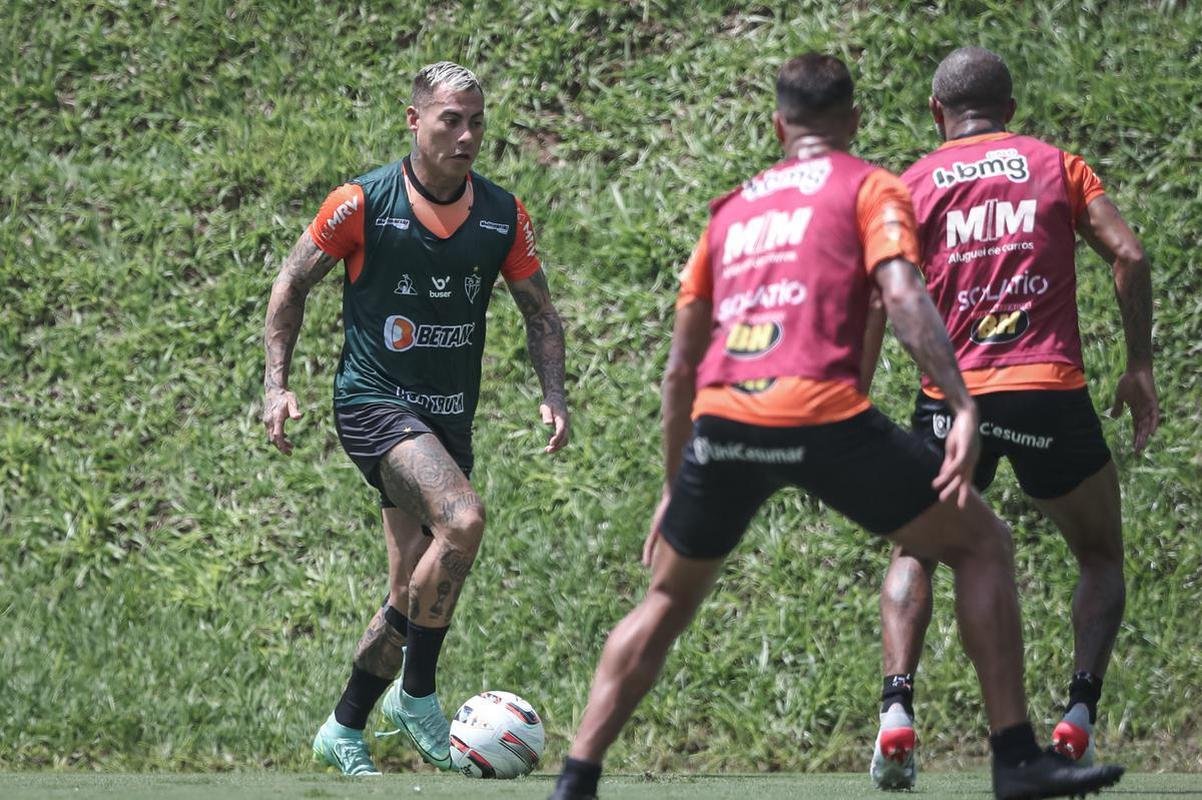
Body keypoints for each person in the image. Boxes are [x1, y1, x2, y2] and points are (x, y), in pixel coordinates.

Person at [549, 53, 1123, 800]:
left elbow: (679, 370)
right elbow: (903, 294)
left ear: (777, 125)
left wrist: (672, 484)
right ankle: (1015, 759)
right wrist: (961, 401)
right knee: (983, 543)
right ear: (853, 122)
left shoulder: (734, 209)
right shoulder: (870, 185)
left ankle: (575, 779)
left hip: (725, 419)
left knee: (664, 603)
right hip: (822, 413)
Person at [262, 61, 569, 776]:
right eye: (450, 120)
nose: (466, 135)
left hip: (446, 420)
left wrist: (554, 393)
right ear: (415, 120)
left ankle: (344, 725)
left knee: (412, 589)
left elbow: (542, 316)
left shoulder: (501, 214)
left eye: (477, 122)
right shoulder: (360, 203)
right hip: (372, 404)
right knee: (462, 519)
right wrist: (276, 387)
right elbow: (290, 284)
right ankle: (418, 694)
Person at [867, 46, 1158, 791]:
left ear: (938, 112)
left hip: (951, 402)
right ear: (1012, 110)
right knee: (1099, 557)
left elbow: (876, 300)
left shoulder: (909, 186)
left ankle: (897, 713)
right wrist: (1138, 365)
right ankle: (1078, 717)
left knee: (915, 552)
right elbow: (1129, 254)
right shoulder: (1058, 165)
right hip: (1048, 392)